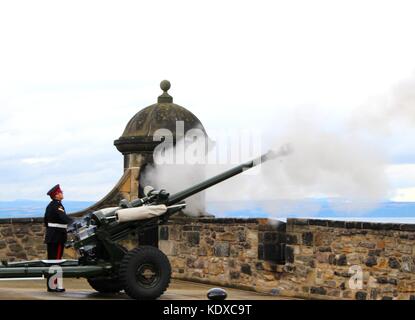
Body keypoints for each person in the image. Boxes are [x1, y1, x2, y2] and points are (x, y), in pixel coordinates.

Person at [44, 184, 73, 292]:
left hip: (52, 235)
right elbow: (63, 217)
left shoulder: (51, 205)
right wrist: (75, 223)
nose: (62, 194)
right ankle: (55, 285)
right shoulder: (57, 205)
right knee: (56, 261)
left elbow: (46, 220)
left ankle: (51, 286)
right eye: (61, 192)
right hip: (57, 236)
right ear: (56, 195)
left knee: (52, 261)